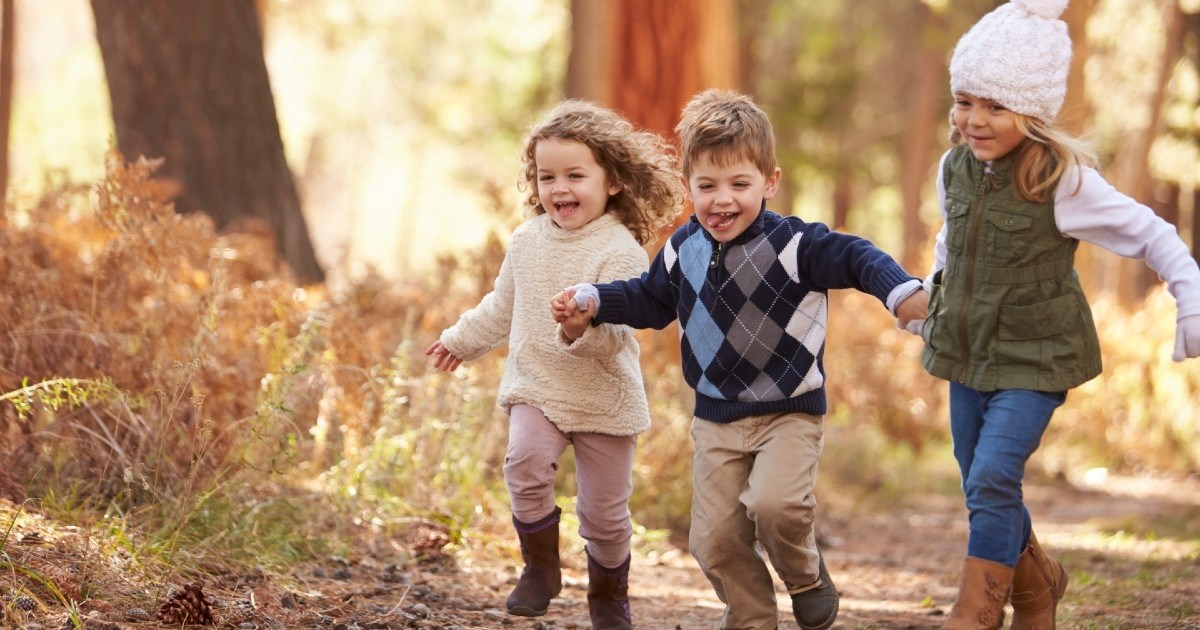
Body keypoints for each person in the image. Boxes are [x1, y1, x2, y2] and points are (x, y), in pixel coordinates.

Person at [552, 89, 928, 630]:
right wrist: (593, 299)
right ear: (688, 187)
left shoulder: (795, 245)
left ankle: (803, 575)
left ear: (769, 182)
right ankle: (752, 618)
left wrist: (901, 292)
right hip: (717, 418)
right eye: (706, 186)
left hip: (789, 409)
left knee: (777, 506)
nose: (721, 200)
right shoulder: (683, 249)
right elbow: (651, 299)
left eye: (739, 184)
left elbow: (857, 256)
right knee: (714, 539)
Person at [915, 0, 1200, 627]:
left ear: (1033, 112)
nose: (974, 120)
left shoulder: (1060, 179)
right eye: (965, 101)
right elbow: (950, 244)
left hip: (1036, 356)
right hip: (966, 351)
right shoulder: (952, 167)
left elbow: (1150, 233)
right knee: (979, 484)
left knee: (992, 474)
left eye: (995, 106)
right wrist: (927, 301)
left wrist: (1189, 295)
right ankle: (1038, 585)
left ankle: (975, 612)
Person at [426, 100, 683, 630]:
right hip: (537, 385)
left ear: (611, 180)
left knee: (604, 516)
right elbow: (502, 307)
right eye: (547, 177)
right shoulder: (526, 241)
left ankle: (610, 596)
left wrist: (577, 328)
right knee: (523, 463)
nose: (559, 189)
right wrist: (460, 340)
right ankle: (540, 568)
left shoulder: (622, 251)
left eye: (574, 175)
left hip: (603, 397)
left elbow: (614, 341)